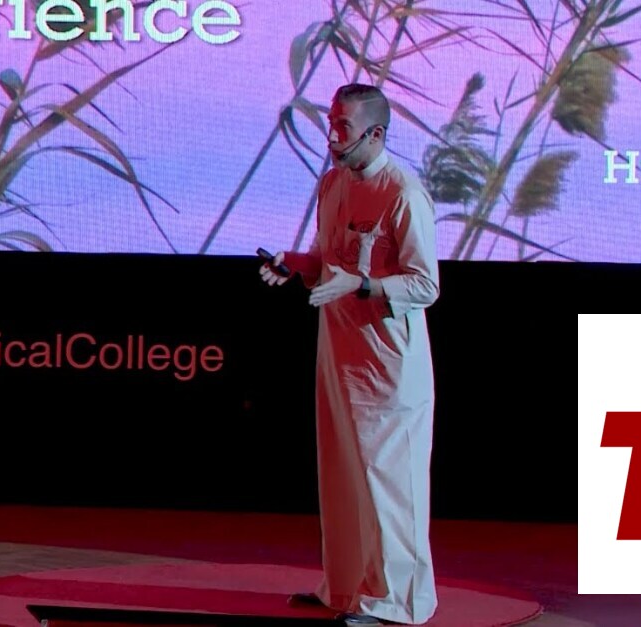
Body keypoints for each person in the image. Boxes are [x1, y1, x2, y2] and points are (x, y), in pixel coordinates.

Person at [259, 83, 440, 626]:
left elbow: (425, 284)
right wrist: (296, 263)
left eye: (344, 127)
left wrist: (363, 284)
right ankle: (343, 588)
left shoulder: (403, 192)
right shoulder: (332, 183)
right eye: (331, 123)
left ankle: (399, 602)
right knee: (341, 475)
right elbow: (327, 259)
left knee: (389, 481)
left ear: (376, 133)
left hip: (387, 362)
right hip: (337, 351)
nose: (333, 137)